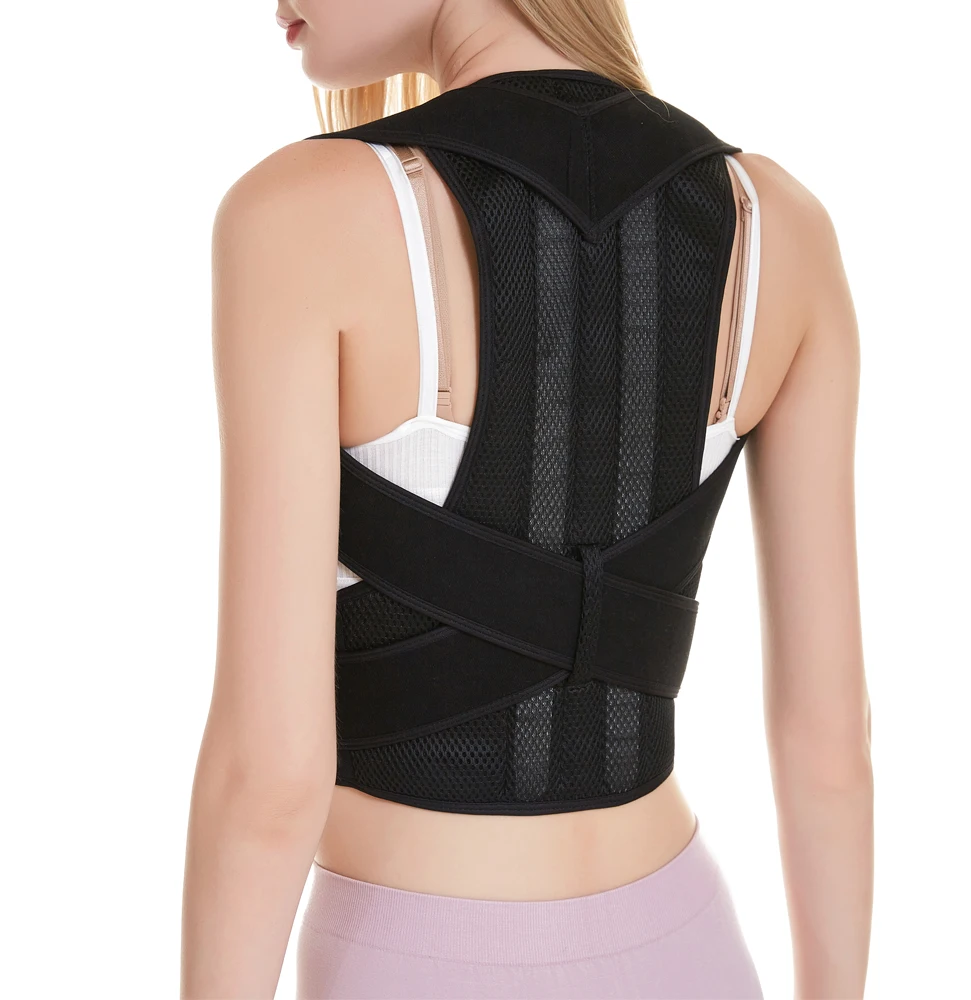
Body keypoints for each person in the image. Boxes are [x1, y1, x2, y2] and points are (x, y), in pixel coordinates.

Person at [180, 1, 874, 997]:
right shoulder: (779, 221)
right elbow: (828, 744)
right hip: (687, 946)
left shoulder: (299, 212)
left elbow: (270, 773)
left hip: (417, 961)